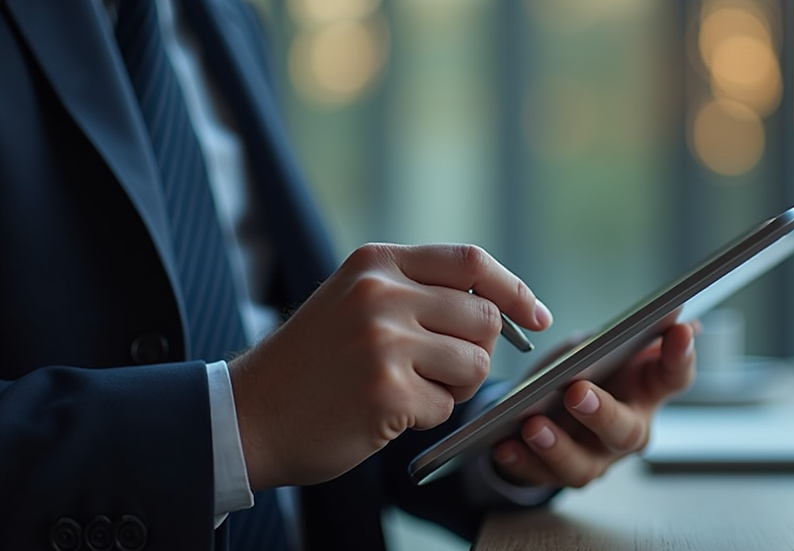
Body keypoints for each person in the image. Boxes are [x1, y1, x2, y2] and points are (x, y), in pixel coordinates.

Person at [0, 0, 696, 549]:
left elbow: (299, 379)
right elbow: (268, 403)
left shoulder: (222, 16)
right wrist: (241, 421)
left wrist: (504, 436)